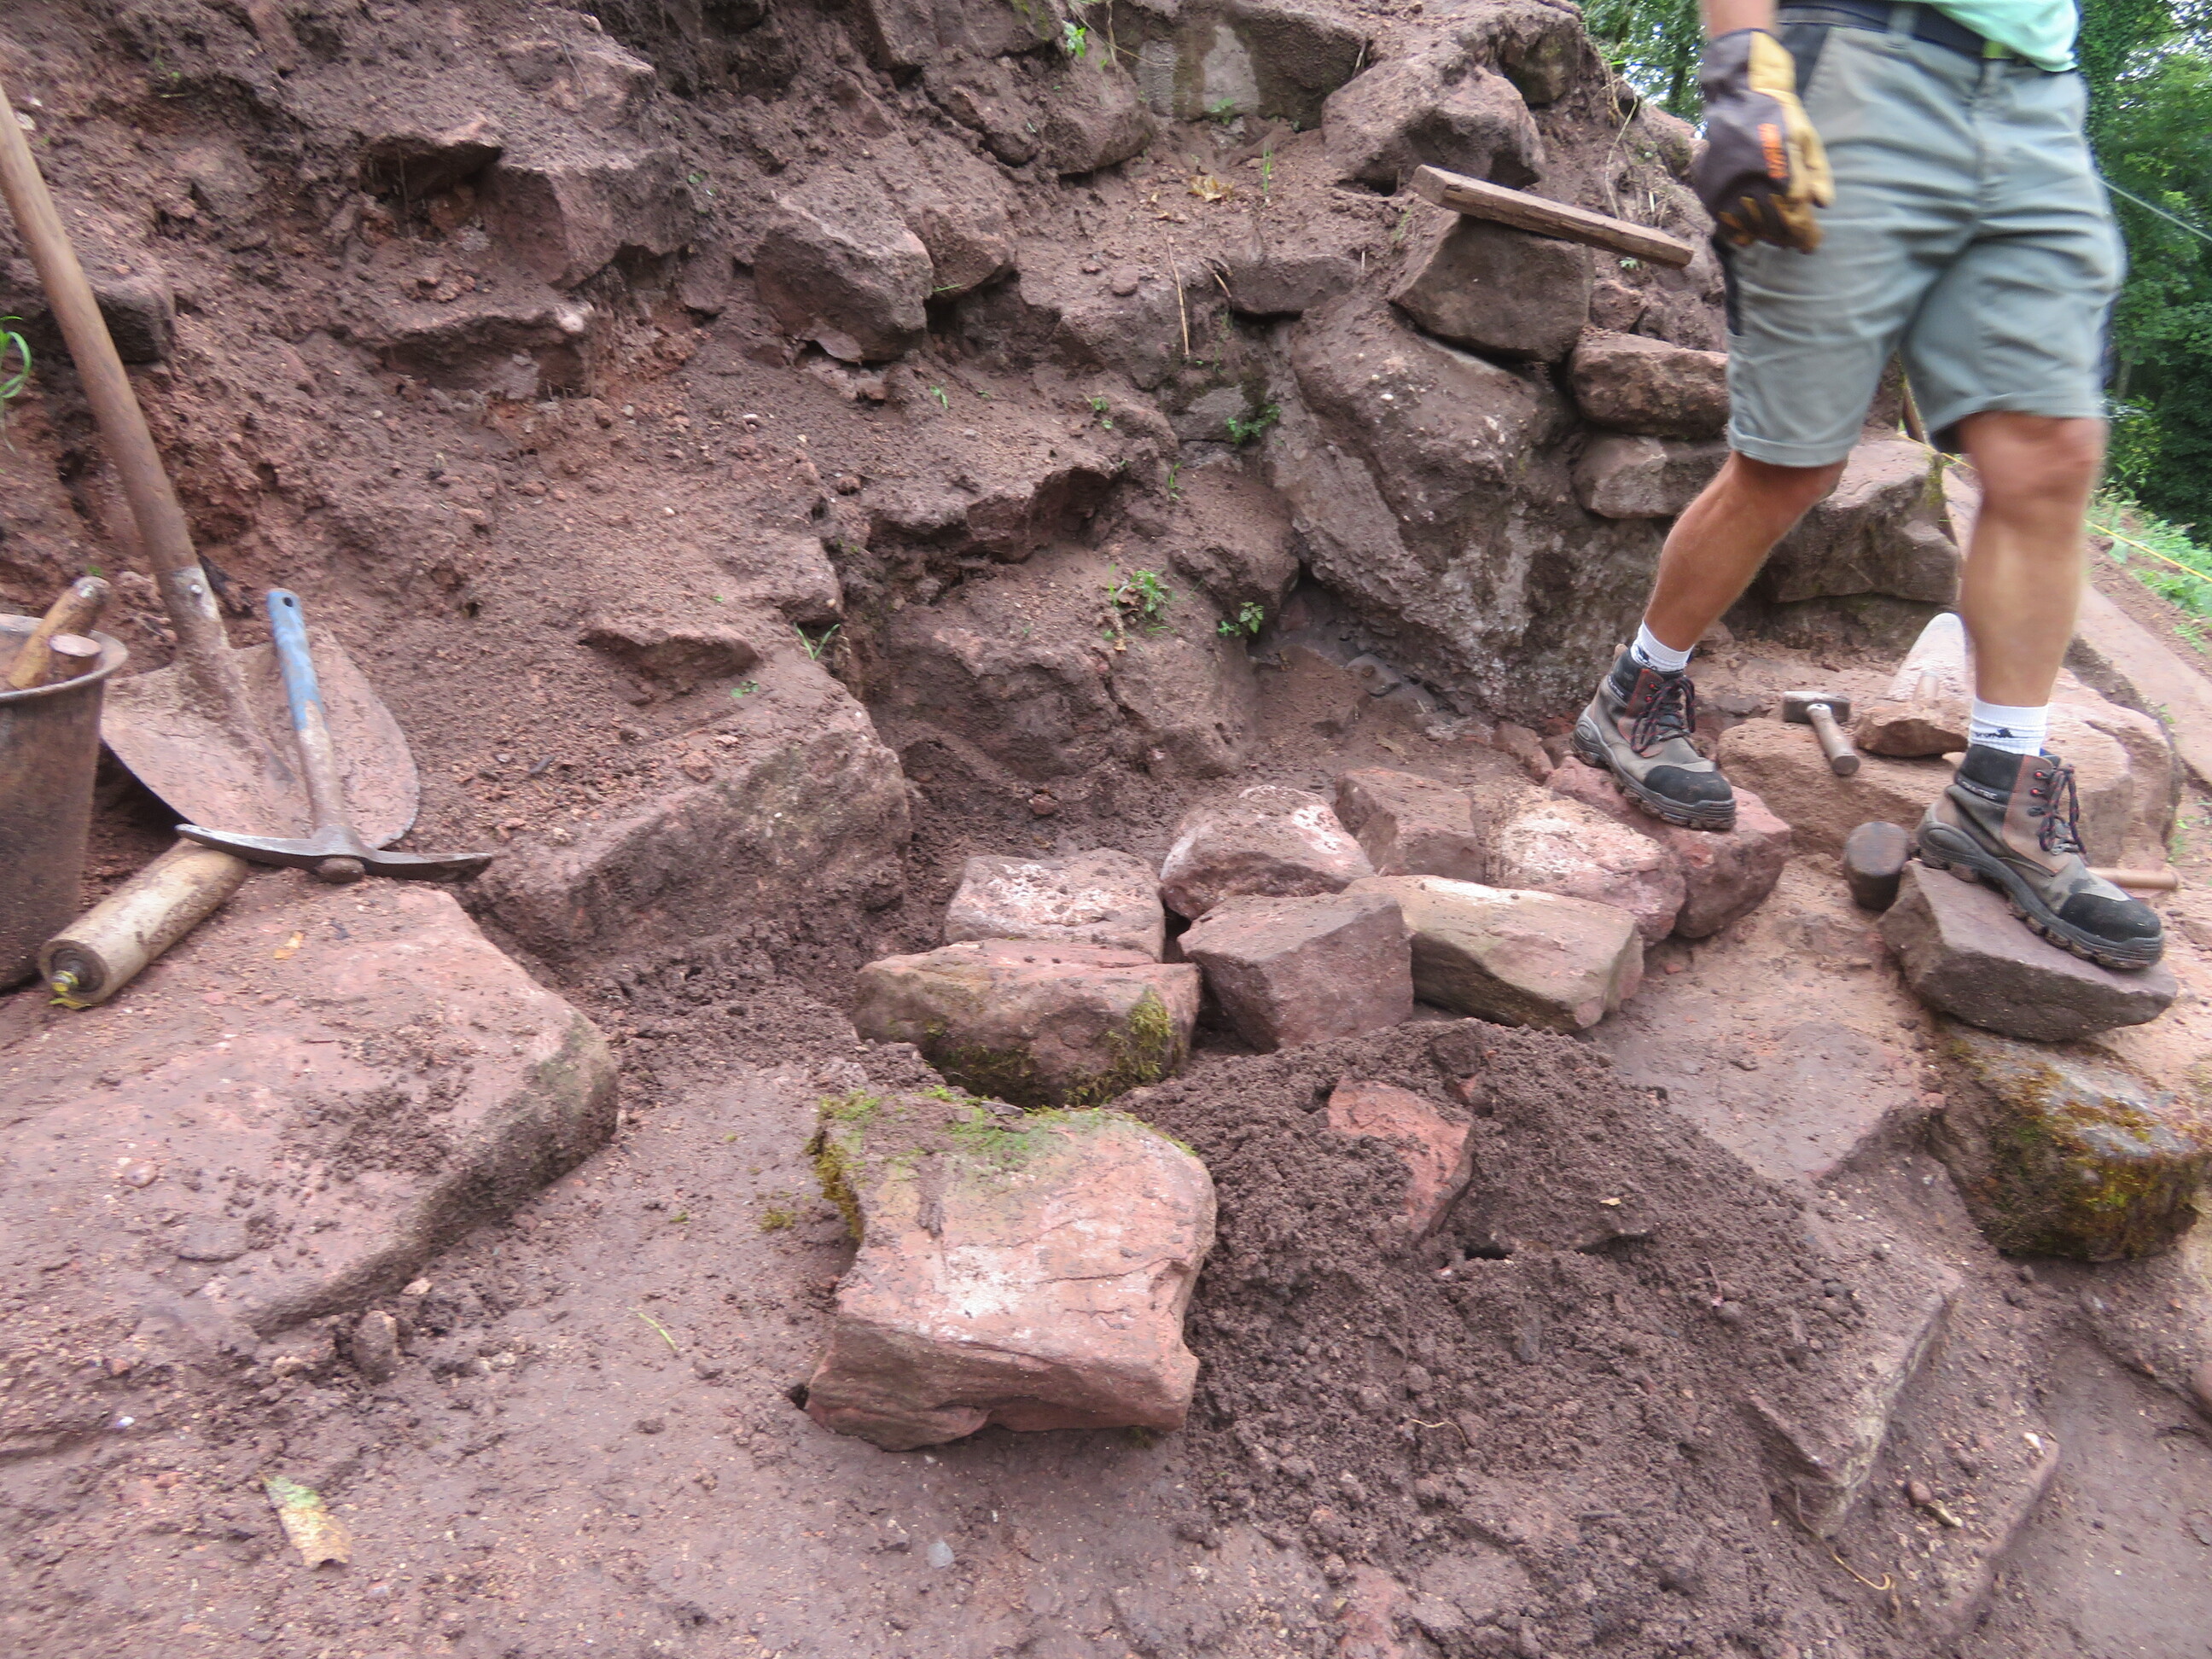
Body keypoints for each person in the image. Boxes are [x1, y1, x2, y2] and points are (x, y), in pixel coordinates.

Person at [1572, 0, 2164, 970]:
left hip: (2036, 103)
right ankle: (1637, 693)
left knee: (2049, 456)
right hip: (1852, 64)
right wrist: (1743, 69)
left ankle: (2001, 788)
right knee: (1791, 464)